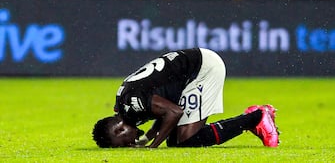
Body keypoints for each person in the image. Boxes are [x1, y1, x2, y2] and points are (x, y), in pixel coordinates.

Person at [92, 48, 279, 148]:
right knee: (174, 140)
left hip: (203, 70)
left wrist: (153, 146)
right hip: (191, 69)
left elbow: (174, 112)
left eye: (126, 141)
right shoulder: (126, 105)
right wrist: (148, 137)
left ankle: (257, 117)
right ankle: (251, 118)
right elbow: (162, 111)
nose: (131, 143)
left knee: (188, 139)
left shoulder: (133, 105)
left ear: (119, 129)